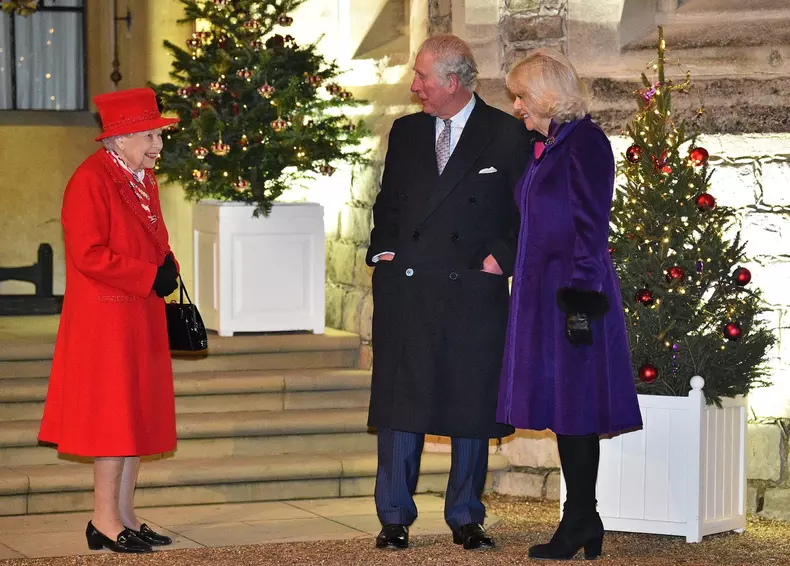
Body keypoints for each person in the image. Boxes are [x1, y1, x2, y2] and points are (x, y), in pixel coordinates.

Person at [366, 34, 535, 551]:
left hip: (471, 290)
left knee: (470, 405)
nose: (414, 86)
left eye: (422, 78)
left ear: (453, 82)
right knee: (402, 404)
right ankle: (394, 517)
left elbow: (526, 209)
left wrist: (500, 259)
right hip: (409, 290)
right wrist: (383, 251)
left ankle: (465, 516)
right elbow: (389, 203)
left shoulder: (507, 134)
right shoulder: (407, 131)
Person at [496, 49, 643, 560]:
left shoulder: (587, 143)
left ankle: (580, 518)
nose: (516, 107)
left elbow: (590, 227)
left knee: (576, 407)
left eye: (521, 96)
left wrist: (579, 303)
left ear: (546, 95)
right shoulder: (552, 143)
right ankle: (585, 517)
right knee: (564, 408)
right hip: (543, 292)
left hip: (573, 294)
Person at [38, 87, 181, 554]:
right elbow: (88, 253)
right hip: (106, 319)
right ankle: (103, 519)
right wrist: (148, 274)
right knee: (113, 419)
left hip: (138, 312)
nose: (158, 145)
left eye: (158, 134)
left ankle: (123, 516)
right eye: (149, 135)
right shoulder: (90, 179)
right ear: (118, 139)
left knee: (135, 414)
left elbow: (150, 236)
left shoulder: (142, 177)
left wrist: (167, 264)